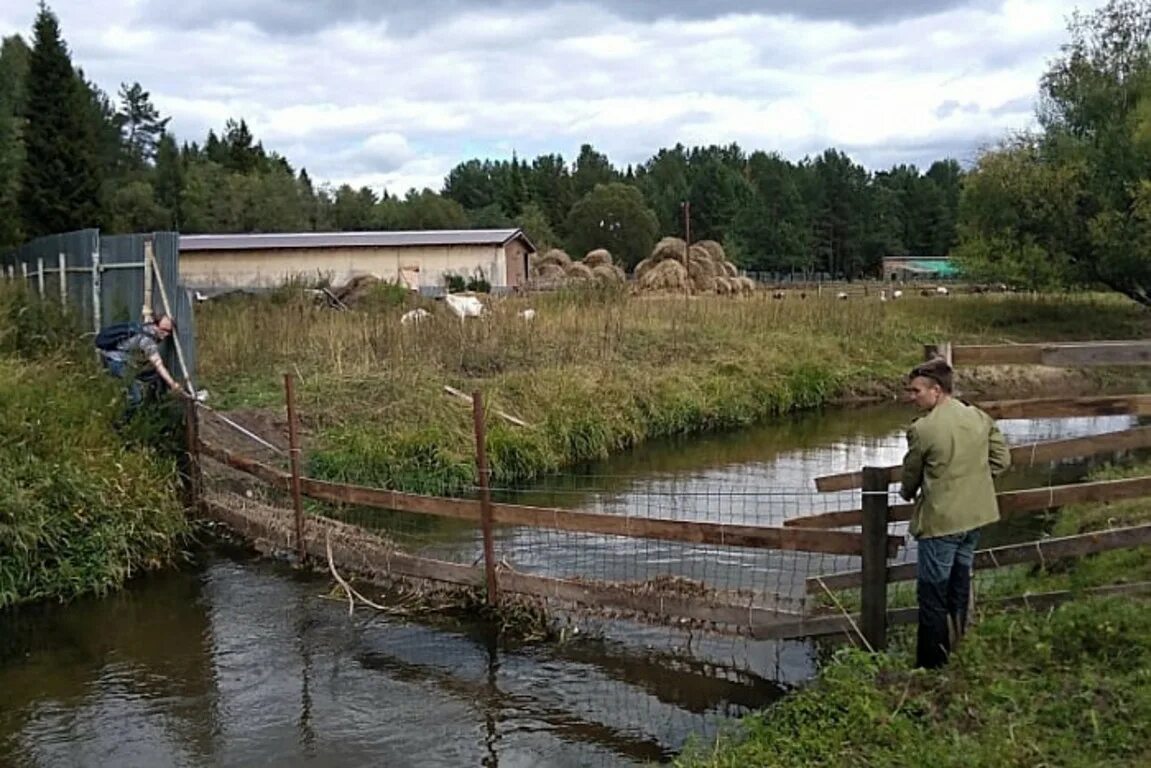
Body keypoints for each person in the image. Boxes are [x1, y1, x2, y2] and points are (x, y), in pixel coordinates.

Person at [900, 357, 1011, 669]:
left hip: (942, 522)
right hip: (975, 517)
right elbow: (1002, 461)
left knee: (932, 595)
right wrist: (974, 481)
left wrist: (907, 493)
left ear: (936, 390)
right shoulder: (978, 416)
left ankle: (931, 666)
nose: (912, 396)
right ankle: (959, 649)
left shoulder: (923, 429)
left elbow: (911, 474)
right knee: (959, 586)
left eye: (916, 391)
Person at [97, 314, 187, 416]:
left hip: (115, 359)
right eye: (164, 330)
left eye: (169, 332)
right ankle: (122, 421)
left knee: (154, 376)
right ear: (156, 325)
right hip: (117, 363)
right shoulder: (147, 340)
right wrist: (173, 384)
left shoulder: (146, 327)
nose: (166, 334)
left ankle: (154, 407)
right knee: (137, 398)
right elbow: (158, 364)